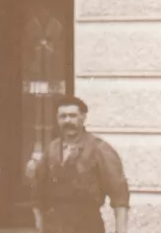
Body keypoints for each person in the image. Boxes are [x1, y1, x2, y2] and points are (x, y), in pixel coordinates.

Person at [30, 95, 130, 233]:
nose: (68, 121)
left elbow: (119, 195)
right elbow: (38, 192)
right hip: (54, 227)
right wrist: (40, 226)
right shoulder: (51, 150)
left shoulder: (100, 149)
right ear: (57, 119)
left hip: (87, 226)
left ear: (83, 117)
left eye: (73, 116)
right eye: (63, 116)